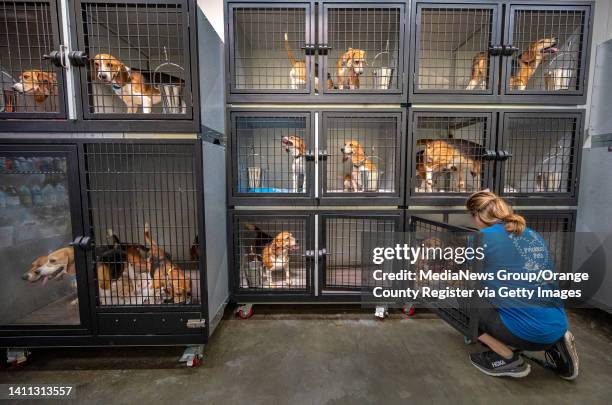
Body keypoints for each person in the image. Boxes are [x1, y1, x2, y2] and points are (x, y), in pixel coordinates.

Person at [465, 190, 579, 379]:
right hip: (557, 323)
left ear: (477, 215)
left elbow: (472, 276)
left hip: (525, 333)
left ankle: (507, 357)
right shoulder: (531, 233)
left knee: (458, 299)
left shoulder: (480, 238)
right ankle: (558, 343)